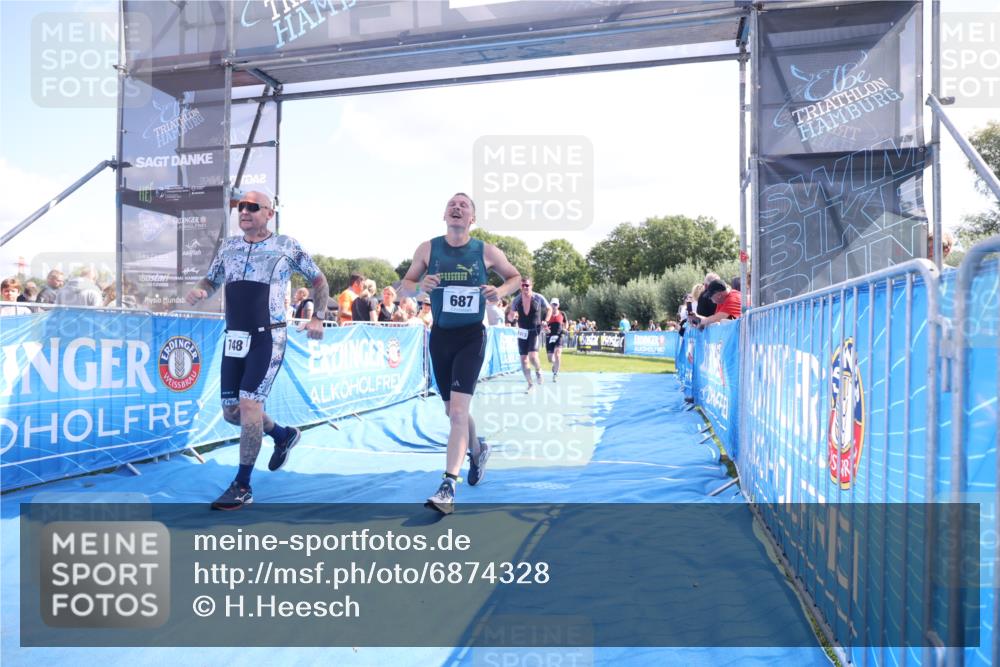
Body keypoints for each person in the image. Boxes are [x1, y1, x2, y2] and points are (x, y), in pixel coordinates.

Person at [185, 191, 329, 511]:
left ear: (269, 214)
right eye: (240, 207)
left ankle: (243, 485)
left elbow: (319, 281)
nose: (244, 211)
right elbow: (212, 280)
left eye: (252, 207)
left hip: (269, 336)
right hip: (235, 338)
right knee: (232, 412)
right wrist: (201, 290)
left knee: (250, 404)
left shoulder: (286, 246)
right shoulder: (229, 247)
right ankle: (282, 435)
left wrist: (318, 316)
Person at [401, 192, 521, 514]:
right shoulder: (428, 249)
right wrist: (419, 287)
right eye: (452, 204)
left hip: (471, 336)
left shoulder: (486, 251)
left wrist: (501, 291)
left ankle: (447, 486)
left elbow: (514, 277)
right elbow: (405, 286)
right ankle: (478, 449)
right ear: (444, 215)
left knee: (456, 413)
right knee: (452, 410)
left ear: (472, 219)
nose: (457, 207)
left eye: (464, 205)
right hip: (440, 337)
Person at [510, 277, 551, 392]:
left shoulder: (538, 297)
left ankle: (538, 370)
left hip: (534, 330)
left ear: (531, 286)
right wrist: (511, 317)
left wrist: (546, 321)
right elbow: (511, 313)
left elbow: (549, 309)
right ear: (520, 287)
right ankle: (530, 384)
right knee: (523, 359)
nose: (525, 287)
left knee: (532, 356)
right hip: (522, 331)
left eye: (527, 285)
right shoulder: (516, 300)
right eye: (523, 285)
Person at [544, 298, 567, 382]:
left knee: (557, 354)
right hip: (549, 337)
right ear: (550, 305)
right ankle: (554, 365)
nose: (554, 306)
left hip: (559, 336)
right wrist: (546, 329)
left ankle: (555, 374)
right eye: (553, 304)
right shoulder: (547, 314)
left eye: (556, 304)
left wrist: (565, 329)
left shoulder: (562, 314)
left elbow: (565, 323)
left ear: (558, 305)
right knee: (550, 359)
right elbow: (543, 324)